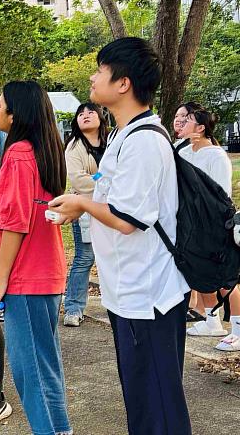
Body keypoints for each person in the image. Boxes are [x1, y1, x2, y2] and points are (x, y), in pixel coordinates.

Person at [51, 37, 192, 435]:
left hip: (148, 294)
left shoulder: (144, 141)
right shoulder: (122, 136)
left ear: (123, 83)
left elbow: (128, 219)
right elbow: (107, 189)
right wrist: (82, 199)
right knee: (143, 401)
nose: (93, 78)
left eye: (100, 71)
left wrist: (81, 203)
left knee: (157, 405)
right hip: (128, 289)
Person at [0, 81, 70, 434]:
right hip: (45, 270)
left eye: (0, 104)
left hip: (26, 276)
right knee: (45, 366)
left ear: (15, 114)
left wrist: (0, 277)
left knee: (31, 371)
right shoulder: (44, 149)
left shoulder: (18, 153)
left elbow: (16, 222)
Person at [176, 104, 234, 341]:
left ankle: (237, 329)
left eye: (186, 119)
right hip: (190, 224)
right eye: (178, 117)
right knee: (201, 273)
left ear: (200, 128)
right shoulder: (183, 151)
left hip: (213, 224)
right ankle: (212, 322)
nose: (180, 122)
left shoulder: (216, 155)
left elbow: (222, 195)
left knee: (224, 280)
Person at [62, 103, 108, 327]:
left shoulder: (111, 141)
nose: (86, 116)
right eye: (81, 114)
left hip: (112, 207)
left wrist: (100, 178)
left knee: (112, 256)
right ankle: (73, 307)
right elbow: (79, 181)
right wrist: (104, 177)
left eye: (90, 112)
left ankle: (115, 304)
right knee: (85, 257)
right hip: (85, 209)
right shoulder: (74, 146)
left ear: (100, 117)